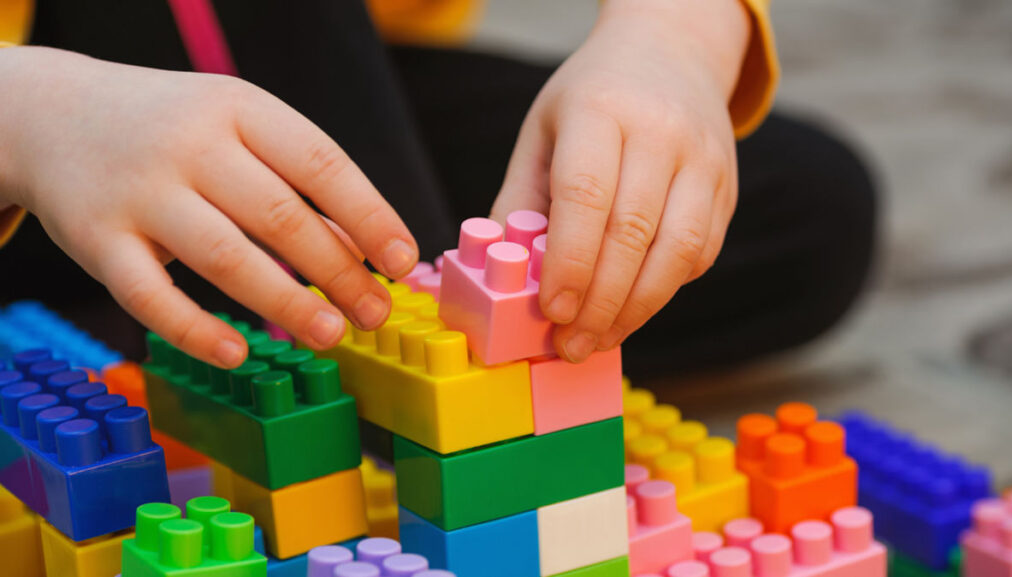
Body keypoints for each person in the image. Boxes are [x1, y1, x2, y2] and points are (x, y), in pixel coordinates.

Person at [0, 0, 876, 377]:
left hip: (311, 71)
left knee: (788, 212)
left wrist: (673, 38)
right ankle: (373, 405)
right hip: (37, 115)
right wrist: (33, 114)